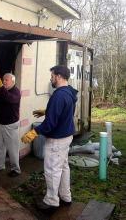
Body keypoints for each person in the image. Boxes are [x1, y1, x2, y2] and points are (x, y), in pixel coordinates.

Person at [21, 65, 78, 211]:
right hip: (67, 136)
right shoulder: (70, 92)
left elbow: (50, 124)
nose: (51, 78)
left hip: (57, 139)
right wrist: (48, 110)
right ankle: (65, 196)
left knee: (52, 170)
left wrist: (34, 132)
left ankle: (52, 201)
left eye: (52, 76)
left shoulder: (58, 95)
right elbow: (65, 110)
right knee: (64, 167)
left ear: (59, 76)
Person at [0, 73, 21, 177]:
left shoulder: (16, 91)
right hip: (0, 123)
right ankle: (0, 165)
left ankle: (16, 169)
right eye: (3, 79)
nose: (4, 81)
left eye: (6, 80)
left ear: (13, 81)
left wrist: (0, 88)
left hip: (10, 124)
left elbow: (10, 99)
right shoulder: (2, 90)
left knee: (12, 148)